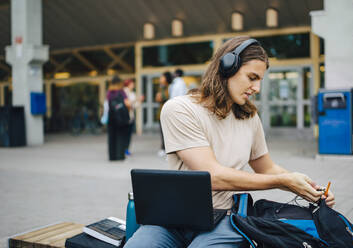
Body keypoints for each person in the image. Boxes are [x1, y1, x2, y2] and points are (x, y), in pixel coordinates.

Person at [124, 36, 335, 247]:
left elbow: (266, 167)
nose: (257, 88)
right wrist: (283, 181)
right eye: (252, 77)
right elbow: (211, 176)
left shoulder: (250, 117)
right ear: (226, 68)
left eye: (260, 80)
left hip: (225, 216)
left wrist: (307, 188)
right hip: (171, 219)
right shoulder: (180, 109)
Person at [106, 75, 131, 161]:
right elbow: (127, 104)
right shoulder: (121, 92)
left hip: (111, 117)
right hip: (120, 118)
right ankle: (120, 156)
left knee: (111, 137)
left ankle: (112, 157)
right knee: (121, 136)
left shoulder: (109, 92)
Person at [123, 79, 144, 156]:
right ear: (128, 84)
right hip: (124, 116)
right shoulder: (124, 92)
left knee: (128, 134)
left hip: (130, 116)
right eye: (132, 84)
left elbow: (134, 106)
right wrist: (136, 100)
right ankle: (123, 149)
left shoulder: (132, 93)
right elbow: (127, 103)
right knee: (124, 134)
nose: (133, 85)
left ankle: (126, 149)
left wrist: (139, 101)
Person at [155, 71, 172, 157]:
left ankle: (167, 149)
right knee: (162, 132)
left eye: (162, 77)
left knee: (167, 132)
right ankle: (163, 148)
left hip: (168, 113)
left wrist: (161, 97)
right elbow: (157, 98)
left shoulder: (170, 87)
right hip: (161, 113)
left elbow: (161, 97)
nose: (160, 79)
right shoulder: (161, 87)